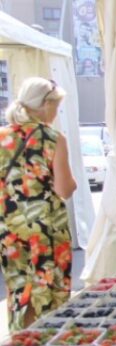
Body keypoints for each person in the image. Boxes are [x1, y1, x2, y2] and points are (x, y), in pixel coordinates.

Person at [0, 77, 77, 330]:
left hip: (9, 229)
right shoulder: (52, 138)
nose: (56, 113)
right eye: (56, 106)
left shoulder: (2, 136)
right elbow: (64, 189)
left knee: (19, 289)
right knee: (48, 289)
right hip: (46, 229)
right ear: (45, 104)